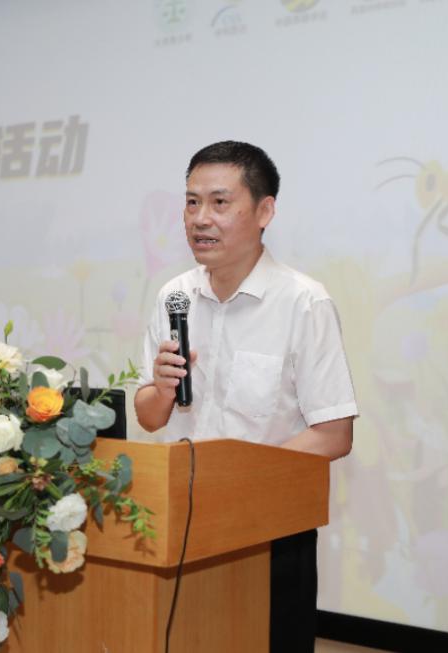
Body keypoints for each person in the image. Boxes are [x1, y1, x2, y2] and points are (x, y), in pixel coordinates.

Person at [134, 141, 358, 653]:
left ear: (264, 211)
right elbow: (148, 417)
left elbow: (334, 434)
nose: (200, 219)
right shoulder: (174, 296)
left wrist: (237, 480)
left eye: (219, 202)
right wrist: (162, 390)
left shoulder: (304, 302)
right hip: (184, 518)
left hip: (270, 528)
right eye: (191, 203)